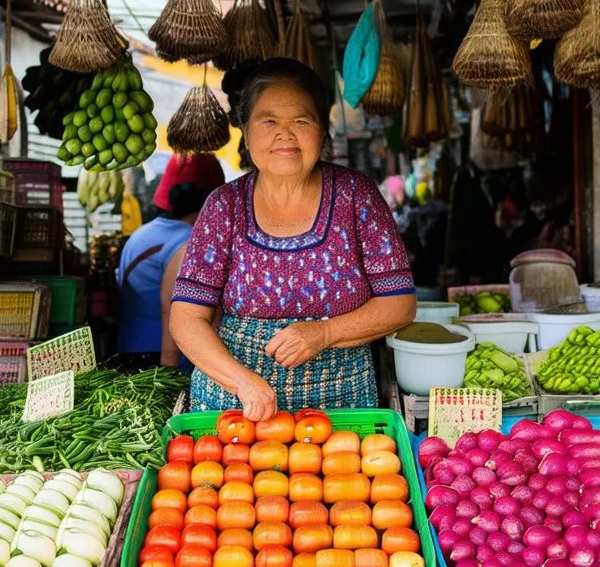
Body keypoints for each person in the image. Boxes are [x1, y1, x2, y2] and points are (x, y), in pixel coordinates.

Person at [170, 58, 416, 420]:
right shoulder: (223, 207)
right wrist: (243, 383)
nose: (285, 134)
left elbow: (400, 304)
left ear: (321, 130)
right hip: (236, 407)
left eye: (301, 121)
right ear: (246, 130)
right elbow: (186, 317)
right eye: (268, 121)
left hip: (341, 405)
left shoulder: (356, 196)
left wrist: (325, 332)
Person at [117, 152, 225, 369]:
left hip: (128, 344)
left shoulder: (142, 233)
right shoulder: (189, 241)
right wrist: (170, 369)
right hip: (162, 352)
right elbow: (171, 307)